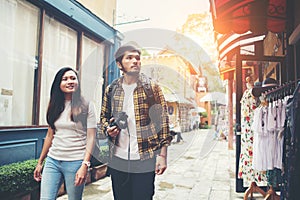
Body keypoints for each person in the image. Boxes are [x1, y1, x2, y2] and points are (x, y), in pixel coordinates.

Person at [99, 45, 172, 200]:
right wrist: (108, 129)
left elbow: (163, 123)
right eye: (129, 58)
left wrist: (162, 156)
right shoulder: (111, 89)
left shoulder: (151, 88)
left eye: (137, 58)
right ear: (119, 64)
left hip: (144, 157)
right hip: (118, 158)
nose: (135, 61)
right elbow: (103, 118)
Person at [33, 67, 96, 200]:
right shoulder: (54, 105)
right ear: (58, 84)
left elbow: (91, 137)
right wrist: (40, 162)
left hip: (75, 162)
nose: (70, 81)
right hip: (53, 160)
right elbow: (50, 136)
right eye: (65, 79)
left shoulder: (87, 105)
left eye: (73, 78)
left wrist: (85, 165)